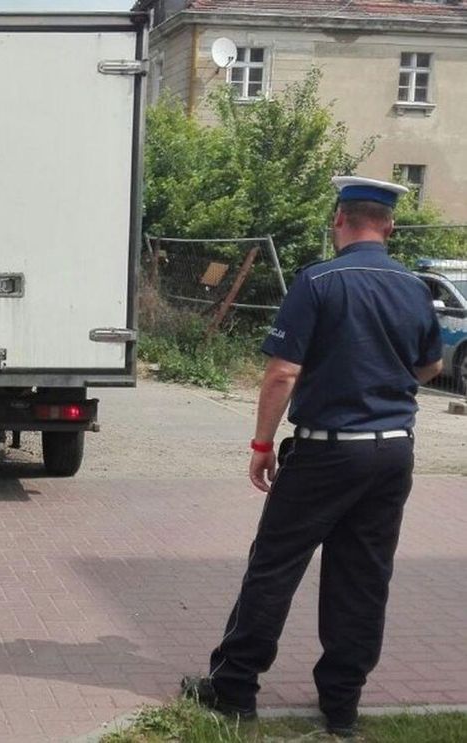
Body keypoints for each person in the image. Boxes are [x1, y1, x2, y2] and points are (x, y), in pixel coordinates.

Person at [182, 176, 444, 738]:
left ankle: (234, 691)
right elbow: (431, 369)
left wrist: (260, 444)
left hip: (327, 451)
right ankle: (342, 708)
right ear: (390, 226)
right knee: (363, 577)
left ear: (338, 221)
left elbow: (282, 372)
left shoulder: (319, 281)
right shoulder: (416, 289)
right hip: (394, 452)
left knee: (275, 565)